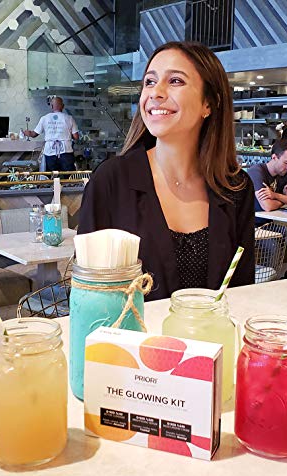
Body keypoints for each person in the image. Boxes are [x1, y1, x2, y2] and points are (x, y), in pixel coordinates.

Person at [78, 41, 255, 301]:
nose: (155, 93)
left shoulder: (235, 188)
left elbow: (242, 293)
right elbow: (89, 294)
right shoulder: (111, 181)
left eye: (175, 81)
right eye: (150, 82)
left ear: (209, 103)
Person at [248, 138, 287, 278]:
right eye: (286, 162)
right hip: (252, 227)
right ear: (274, 157)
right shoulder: (257, 171)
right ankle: (268, 285)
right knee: (274, 247)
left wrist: (276, 195)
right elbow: (267, 206)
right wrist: (286, 198)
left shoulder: (286, 174)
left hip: (270, 225)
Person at [24, 96, 79, 171]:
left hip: (49, 152)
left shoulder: (44, 118)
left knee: (51, 175)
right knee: (68, 175)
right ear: (63, 106)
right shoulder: (69, 118)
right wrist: (66, 135)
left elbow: (34, 134)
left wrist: (27, 133)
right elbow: (76, 136)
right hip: (66, 150)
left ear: (51, 106)